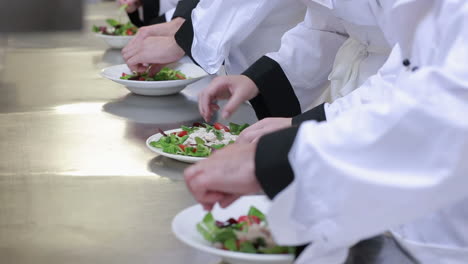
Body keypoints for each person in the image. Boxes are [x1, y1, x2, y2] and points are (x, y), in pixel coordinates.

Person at [184, 0, 468, 263]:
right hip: (388, 164)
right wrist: (266, 84)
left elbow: (448, 113)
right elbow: (401, 71)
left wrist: (280, 158)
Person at [121, 0, 307, 100]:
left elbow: (325, 29)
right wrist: (182, 23)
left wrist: (184, 39)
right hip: (251, 68)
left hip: (284, 47)